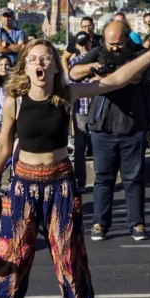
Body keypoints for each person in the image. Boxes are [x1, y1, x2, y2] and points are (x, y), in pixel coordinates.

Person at [0, 32, 150, 298]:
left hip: (60, 185)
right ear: (26, 65)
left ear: (54, 68)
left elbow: (115, 81)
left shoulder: (67, 94)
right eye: (34, 59)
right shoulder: (15, 100)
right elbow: (4, 148)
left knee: (69, 258)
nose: (40, 63)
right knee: (11, 259)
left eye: (46, 59)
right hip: (23, 186)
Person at [70, 22, 150, 241]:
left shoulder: (140, 55)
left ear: (127, 38)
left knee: (134, 178)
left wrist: (104, 79)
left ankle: (137, 223)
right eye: (111, 44)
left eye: (118, 44)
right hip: (102, 125)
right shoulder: (98, 52)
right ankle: (99, 223)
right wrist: (93, 68)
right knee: (103, 177)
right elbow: (73, 72)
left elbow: (134, 77)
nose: (115, 48)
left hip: (133, 124)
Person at [67, 31, 94, 190]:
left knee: (99, 144)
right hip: (81, 108)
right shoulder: (74, 62)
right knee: (80, 146)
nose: (85, 47)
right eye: (81, 44)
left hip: (95, 107)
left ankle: (102, 179)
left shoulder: (98, 58)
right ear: (77, 46)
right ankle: (80, 180)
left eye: (87, 43)